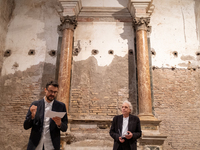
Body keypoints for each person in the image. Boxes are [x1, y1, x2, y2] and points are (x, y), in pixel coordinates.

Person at [23, 81, 68, 150]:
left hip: (52, 145)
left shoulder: (61, 106)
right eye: (50, 91)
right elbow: (26, 126)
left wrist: (59, 124)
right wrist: (32, 116)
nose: (52, 94)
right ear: (45, 90)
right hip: (36, 145)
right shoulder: (35, 104)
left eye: (55, 92)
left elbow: (65, 128)